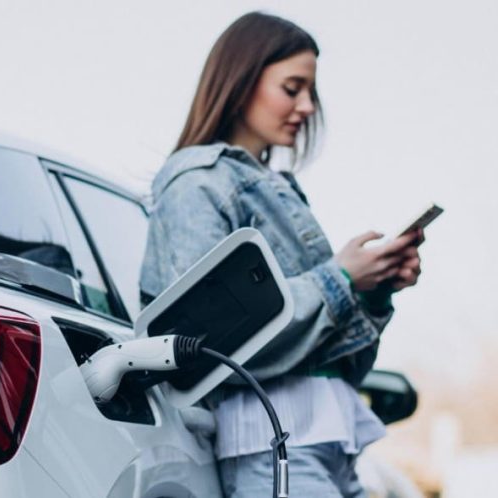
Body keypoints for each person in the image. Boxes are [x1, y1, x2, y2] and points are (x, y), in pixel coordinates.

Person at [139, 12, 422, 498]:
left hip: (324, 448)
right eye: (292, 89)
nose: (307, 107)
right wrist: (340, 279)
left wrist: (373, 292)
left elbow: (336, 360)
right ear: (241, 80)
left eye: (311, 92)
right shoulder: (197, 183)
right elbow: (208, 340)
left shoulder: (274, 188)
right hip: (273, 447)